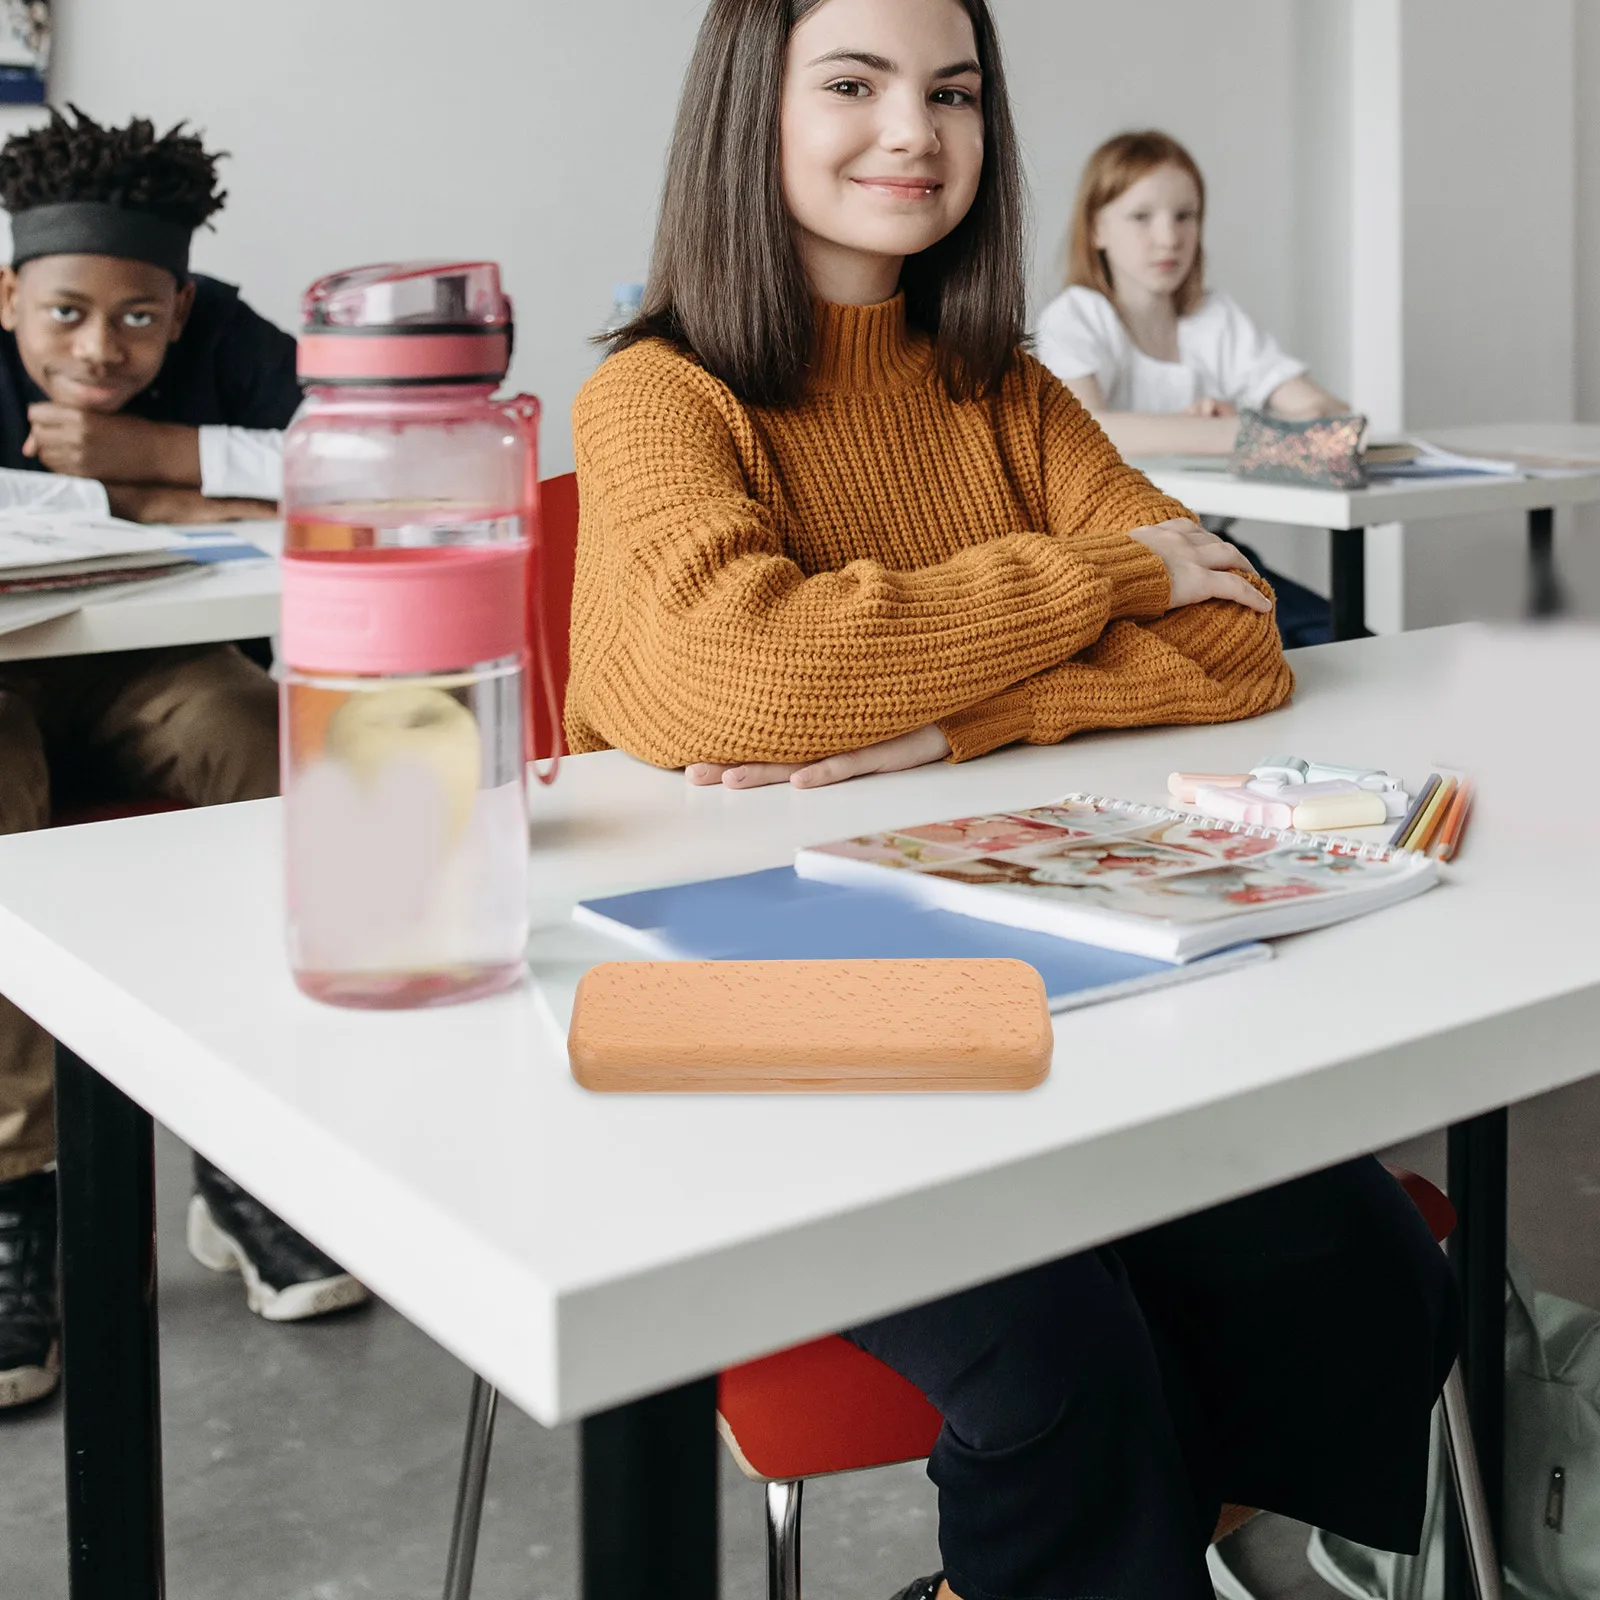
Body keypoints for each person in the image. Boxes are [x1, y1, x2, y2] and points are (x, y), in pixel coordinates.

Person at [567, 3, 1457, 1598]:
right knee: (1058, 1353)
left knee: (1355, 1261)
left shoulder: (1006, 390)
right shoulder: (660, 393)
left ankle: (1183, 1553)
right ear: (746, 118)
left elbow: (1242, 640)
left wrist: (949, 726)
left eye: (956, 92)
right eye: (855, 84)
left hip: (1045, 957)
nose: (915, 131)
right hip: (753, 1015)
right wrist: (1107, 573)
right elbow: (739, 674)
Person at [0, 108, 366, 1416]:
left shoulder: (231, 340)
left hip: (160, 665)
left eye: (142, 319)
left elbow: (379, 465)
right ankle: (18, 1193)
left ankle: (247, 1154)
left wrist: (163, 465)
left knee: (272, 751)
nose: (103, 349)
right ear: (9, 295)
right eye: (64, 317)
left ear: (185, 296)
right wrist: (215, 500)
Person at [1037, 129, 1348, 646]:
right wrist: (1242, 434)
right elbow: (1087, 431)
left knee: (1342, 636)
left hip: (1208, 547)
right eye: (1142, 217)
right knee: (1299, 645)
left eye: (1186, 216)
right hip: (1125, 563)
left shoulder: (1212, 319)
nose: (1169, 238)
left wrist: (1257, 428)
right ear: (1095, 229)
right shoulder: (1077, 316)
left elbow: (1328, 419)